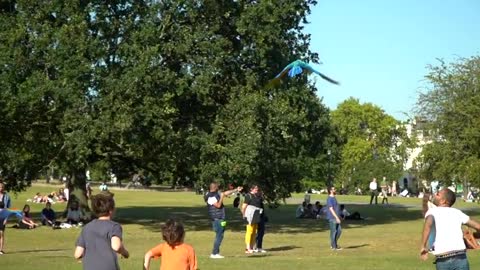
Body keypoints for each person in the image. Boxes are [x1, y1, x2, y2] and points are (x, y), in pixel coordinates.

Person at [420, 188, 480, 269]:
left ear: (443, 201)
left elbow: (428, 224)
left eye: (437, 194)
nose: (434, 195)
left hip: (443, 259)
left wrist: (423, 246)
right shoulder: (457, 212)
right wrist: (477, 235)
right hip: (461, 258)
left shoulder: (432, 212)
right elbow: (478, 226)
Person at [74, 192, 129, 269]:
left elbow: (78, 254)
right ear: (111, 210)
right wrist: (125, 253)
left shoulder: (87, 227)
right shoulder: (114, 226)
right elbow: (116, 246)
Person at [204, 182, 242, 259]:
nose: (219, 188)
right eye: (217, 187)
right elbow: (218, 205)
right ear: (214, 187)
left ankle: (216, 253)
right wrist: (221, 197)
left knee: (220, 235)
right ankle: (214, 253)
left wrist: (236, 190)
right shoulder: (210, 197)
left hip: (220, 218)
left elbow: (225, 193)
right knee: (219, 236)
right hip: (217, 219)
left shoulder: (216, 193)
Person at [241, 184, 263, 254]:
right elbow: (243, 207)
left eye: (257, 188)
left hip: (256, 215)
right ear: (251, 189)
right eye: (255, 188)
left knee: (254, 231)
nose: (257, 189)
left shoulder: (257, 195)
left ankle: (251, 247)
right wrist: (244, 215)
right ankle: (247, 248)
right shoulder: (248, 196)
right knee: (249, 231)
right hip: (250, 215)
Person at [255, 189, 267, 253]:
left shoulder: (259, 198)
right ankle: (258, 247)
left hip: (261, 217)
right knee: (260, 232)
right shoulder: (257, 199)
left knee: (260, 232)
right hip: (258, 217)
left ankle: (258, 246)